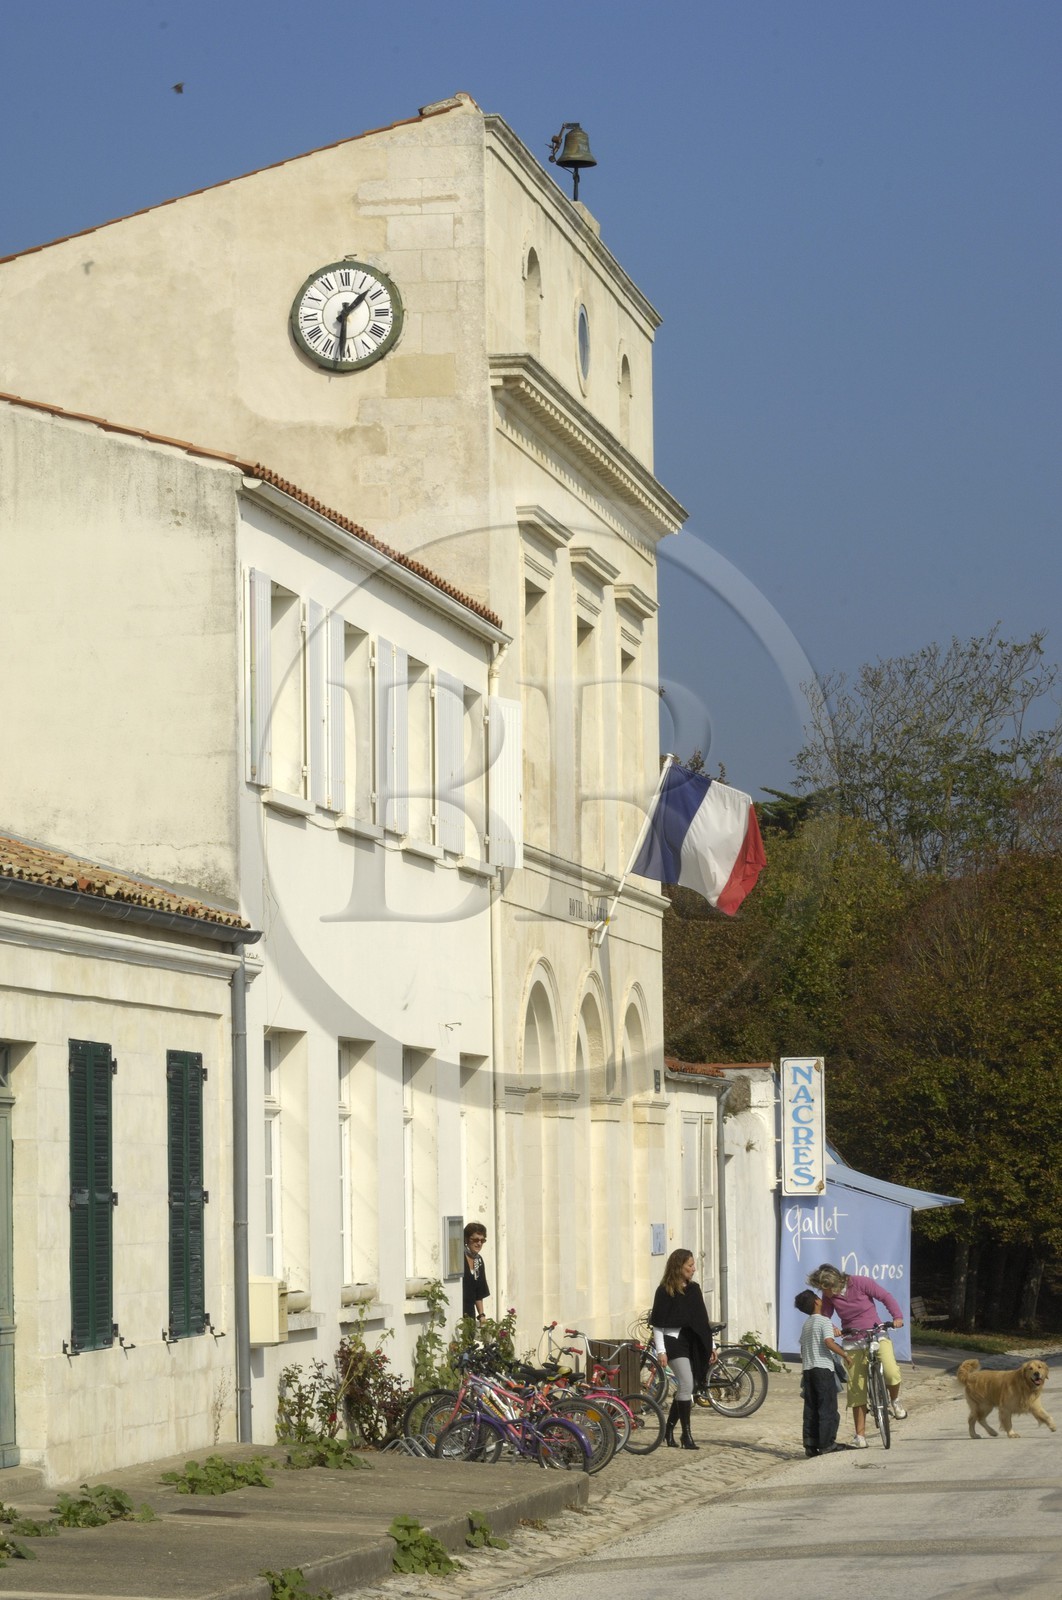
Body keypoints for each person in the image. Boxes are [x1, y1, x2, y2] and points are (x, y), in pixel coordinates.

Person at [806, 1262, 906, 1449]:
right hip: (852, 1339)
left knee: (891, 1372)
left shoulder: (861, 1283)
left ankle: (894, 1400)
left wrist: (897, 1317)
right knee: (856, 1388)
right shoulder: (830, 1296)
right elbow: (826, 1315)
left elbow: (885, 1296)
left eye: (825, 1289)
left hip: (876, 1333)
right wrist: (832, 1328)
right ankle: (860, 1436)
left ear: (834, 1283)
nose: (823, 1293)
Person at [649, 1248, 714, 1450]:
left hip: (692, 1341)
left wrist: (711, 1346)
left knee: (688, 1387)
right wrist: (661, 1351)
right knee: (686, 1383)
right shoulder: (664, 1291)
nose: (693, 1269)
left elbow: (702, 1321)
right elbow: (658, 1324)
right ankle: (686, 1435)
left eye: (693, 1265)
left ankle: (668, 1430)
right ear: (679, 1267)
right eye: (689, 1266)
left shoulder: (693, 1290)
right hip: (673, 1342)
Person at [794, 1288, 851, 1456]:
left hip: (808, 1370)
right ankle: (827, 1443)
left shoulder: (807, 1324)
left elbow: (803, 1348)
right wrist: (845, 1354)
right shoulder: (824, 1321)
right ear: (817, 1302)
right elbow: (828, 1342)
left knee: (811, 1407)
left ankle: (810, 1444)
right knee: (827, 1407)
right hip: (823, 1369)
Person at [462, 1221, 490, 1323]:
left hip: (470, 1313)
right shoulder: (459, 1257)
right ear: (466, 1239)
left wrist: (481, 1315)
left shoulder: (479, 1261)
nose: (479, 1243)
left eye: (482, 1241)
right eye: (475, 1240)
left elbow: (479, 1292)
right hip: (457, 1310)